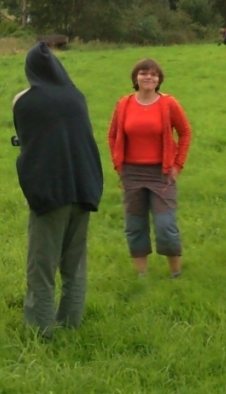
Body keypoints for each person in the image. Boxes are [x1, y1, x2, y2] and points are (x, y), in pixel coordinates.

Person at [12, 42, 104, 338]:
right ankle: (70, 324)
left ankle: (40, 330)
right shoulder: (77, 97)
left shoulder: (24, 101)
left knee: (41, 266)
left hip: (51, 191)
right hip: (85, 185)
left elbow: (28, 143)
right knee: (74, 264)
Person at [107, 58, 192, 278]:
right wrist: (118, 165)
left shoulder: (168, 103)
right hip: (131, 173)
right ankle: (142, 277)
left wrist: (177, 165)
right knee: (135, 226)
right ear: (136, 77)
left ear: (159, 80)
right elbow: (113, 135)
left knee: (166, 226)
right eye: (144, 73)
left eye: (154, 74)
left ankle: (176, 274)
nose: (148, 77)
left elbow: (185, 133)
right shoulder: (124, 104)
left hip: (161, 174)